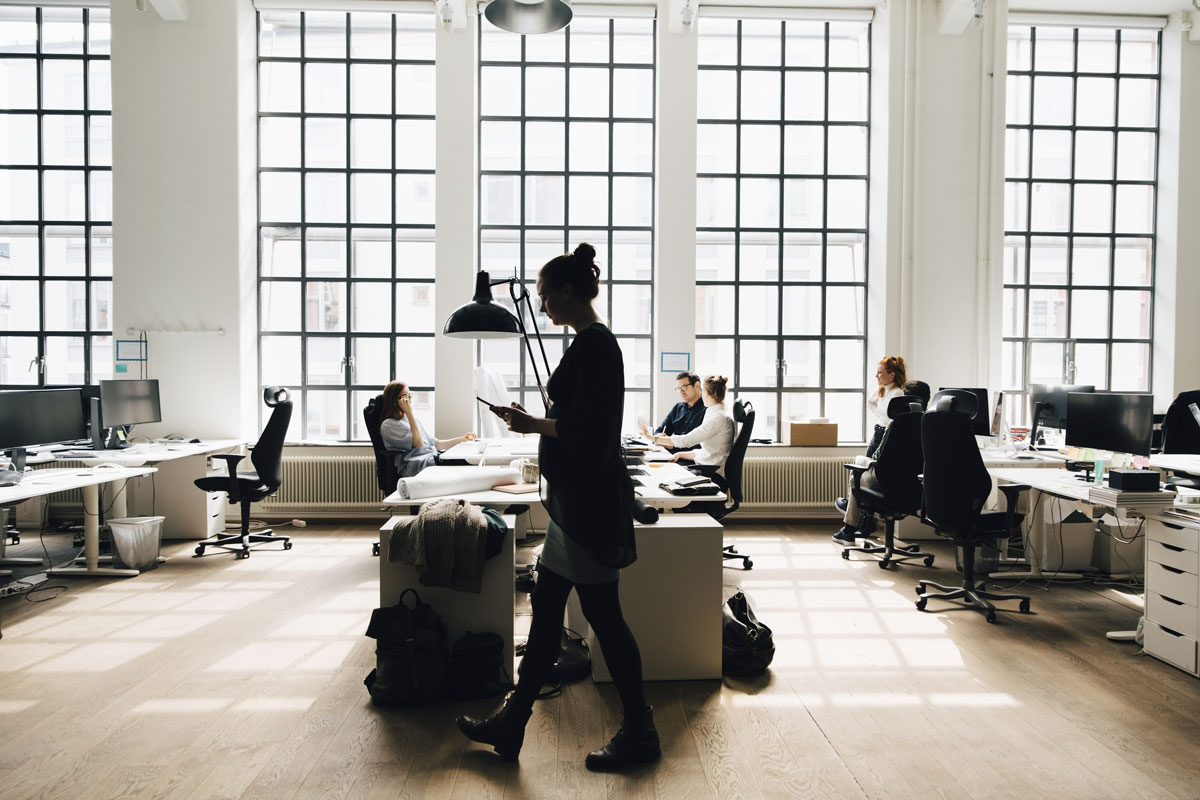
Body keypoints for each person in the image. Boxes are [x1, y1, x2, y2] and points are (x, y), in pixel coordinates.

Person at [456, 243, 659, 772]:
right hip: (578, 505)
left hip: (587, 508)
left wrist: (533, 425)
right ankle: (513, 723)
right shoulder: (590, 343)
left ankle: (640, 730)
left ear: (569, 292)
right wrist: (539, 420)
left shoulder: (595, 346)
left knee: (605, 620)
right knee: (546, 615)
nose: (542, 307)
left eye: (546, 296)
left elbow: (592, 432)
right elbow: (578, 415)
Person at [833, 356, 908, 544]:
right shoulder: (886, 391)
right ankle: (864, 522)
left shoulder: (897, 394)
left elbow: (890, 418)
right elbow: (871, 401)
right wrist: (881, 386)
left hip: (886, 436)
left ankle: (853, 521)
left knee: (861, 476)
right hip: (879, 431)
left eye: (880, 372)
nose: (876, 375)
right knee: (862, 475)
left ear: (892, 374)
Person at [378, 381, 476, 478]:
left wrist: (461, 439)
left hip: (432, 456)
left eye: (410, 394)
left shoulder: (411, 420)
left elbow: (437, 444)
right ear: (395, 401)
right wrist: (409, 413)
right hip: (417, 464)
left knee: (468, 457)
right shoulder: (388, 425)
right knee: (465, 462)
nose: (410, 398)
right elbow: (418, 443)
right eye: (405, 395)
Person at [651, 375, 734, 483]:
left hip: (711, 472)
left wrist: (653, 438)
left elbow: (688, 440)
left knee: (667, 477)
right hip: (705, 467)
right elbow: (706, 452)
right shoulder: (714, 413)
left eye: (703, 391)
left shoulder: (718, 418)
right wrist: (679, 454)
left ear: (706, 394)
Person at [638, 371, 706, 449]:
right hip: (671, 456)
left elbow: (699, 445)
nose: (681, 392)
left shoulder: (707, 410)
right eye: (679, 388)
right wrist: (659, 436)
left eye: (684, 387)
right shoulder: (678, 408)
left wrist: (671, 445)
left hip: (691, 458)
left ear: (697, 385)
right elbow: (660, 430)